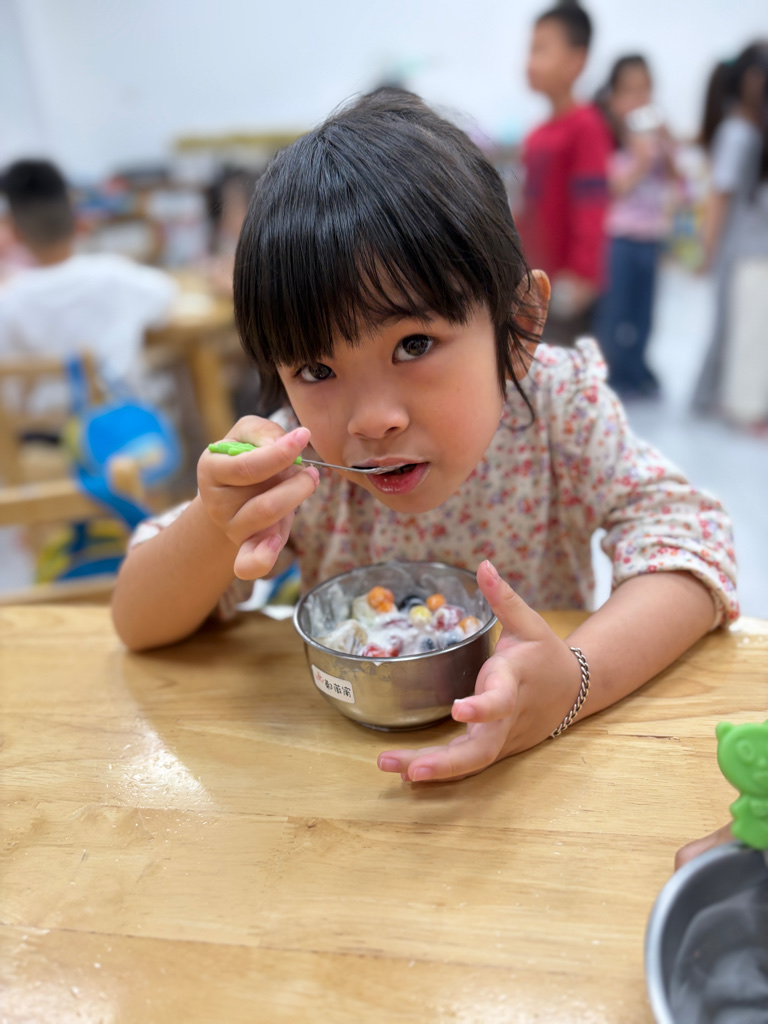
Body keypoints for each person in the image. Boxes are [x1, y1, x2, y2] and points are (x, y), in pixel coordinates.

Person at [111, 90, 738, 785]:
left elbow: (693, 545)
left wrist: (576, 680)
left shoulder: (558, 407)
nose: (371, 419)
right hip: (344, 784)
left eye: (413, 344)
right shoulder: (303, 461)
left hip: (552, 776)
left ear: (519, 327)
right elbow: (137, 624)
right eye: (316, 370)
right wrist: (217, 521)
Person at [0, 159, 177, 399]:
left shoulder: (9, 301)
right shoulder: (115, 274)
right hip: (118, 416)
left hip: (43, 422)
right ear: (78, 219)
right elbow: (166, 297)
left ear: (15, 231)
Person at [515, 0, 613, 346]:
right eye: (530, 50)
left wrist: (583, 273)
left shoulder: (587, 126)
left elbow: (592, 203)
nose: (530, 62)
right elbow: (528, 207)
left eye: (541, 50)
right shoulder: (535, 135)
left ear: (576, 61)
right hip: (535, 281)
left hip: (569, 289)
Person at [596, 55, 680, 398]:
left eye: (644, 89)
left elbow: (678, 177)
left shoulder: (657, 143)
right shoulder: (609, 141)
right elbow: (614, 188)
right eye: (629, 90)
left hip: (652, 238)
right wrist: (641, 161)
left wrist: (667, 146)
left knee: (645, 313)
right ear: (613, 100)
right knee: (616, 310)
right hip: (621, 239)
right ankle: (612, 372)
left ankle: (637, 367)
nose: (638, 98)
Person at [692, 43, 768, 424]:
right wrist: (707, 250)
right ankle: (711, 399)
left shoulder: (749, 128)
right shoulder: (738, 132)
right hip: (735, 247)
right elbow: (719, 197)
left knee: (736, 324)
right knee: (730, 325)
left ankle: (715, 398)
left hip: (744, 246)